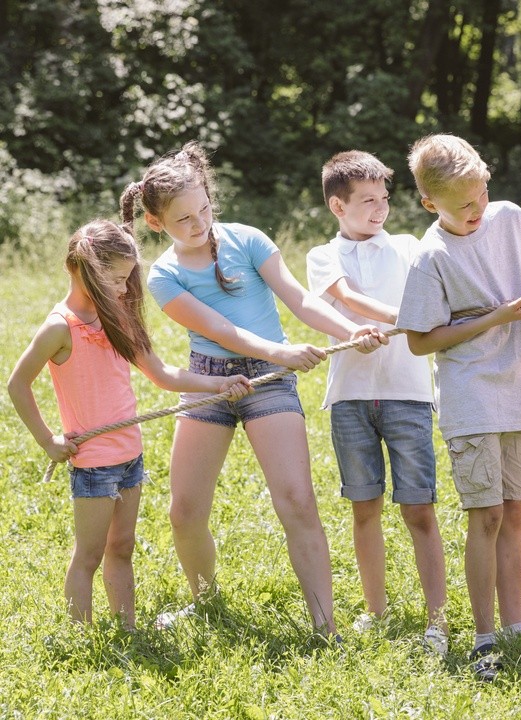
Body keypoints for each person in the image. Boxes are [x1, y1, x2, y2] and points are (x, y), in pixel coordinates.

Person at [120, 141, 385, 638]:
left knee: (296, 500)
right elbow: (222, 331)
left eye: (204, 209)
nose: (200, 224)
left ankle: (324, 627)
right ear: (156, 224)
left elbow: (300, 300)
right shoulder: (164, 276)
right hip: (209, 380)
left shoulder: (247, 239)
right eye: (184, 220)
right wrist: (282, 352)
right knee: (185, 510)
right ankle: (206, 602)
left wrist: (348, 333)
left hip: (268, 382)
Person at [6, 220, 252, 630]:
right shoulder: (60, 327)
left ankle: (128, 629)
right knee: (89, 554)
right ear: (81, 269)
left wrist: (219, 383)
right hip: (93, 462)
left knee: (122, 546)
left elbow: (162, 374)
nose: (123, 289)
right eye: (116, 280)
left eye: (126, 279)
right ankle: (82, 637)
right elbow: (17, 384)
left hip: (129, 456)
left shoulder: (117, 318)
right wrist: (48, 439)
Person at [395, 134, 521, 681]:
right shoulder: (431, 256)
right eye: (463, 206)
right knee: (485, 515)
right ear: (429, 204)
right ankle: (484, 638)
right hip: (469, 395)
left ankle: (516, 631)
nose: (477, 210)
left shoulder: (511, 218)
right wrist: (497, 316)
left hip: (518, 387)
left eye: (481, 195)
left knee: (514, 512)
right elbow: (420, 341)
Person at [305, 150, 449, 655]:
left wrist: (408, 318)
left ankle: (438, 620)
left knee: (419, 510)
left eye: (384, 198)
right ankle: (375, 610)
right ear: (337, 206)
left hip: (408, 395)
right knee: (363, 507)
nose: (380, 208)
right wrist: (389, 320)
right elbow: (341, 297)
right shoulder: (324, 256)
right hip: (350, 399)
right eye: (367, 201)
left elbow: (438, 291)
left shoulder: (410, 246)